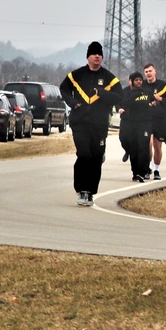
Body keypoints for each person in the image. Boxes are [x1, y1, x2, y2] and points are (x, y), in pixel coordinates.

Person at [59, 41, 123, 206]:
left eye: (100, 54)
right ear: (88, 56)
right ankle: (82, 190)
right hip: (79, 122)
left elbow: (119, 97)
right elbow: (64, 88)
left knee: (95, 157)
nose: (97, 56)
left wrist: (102, 93)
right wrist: (72, 102)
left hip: (99, 124)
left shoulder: (109, 78)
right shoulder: (76, 75)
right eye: (94, 54)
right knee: (84, 154)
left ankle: (91, 192)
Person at [118, 72, 152, 182]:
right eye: (136, 80)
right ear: (131, 81)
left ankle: (143, 171)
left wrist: (156, 103)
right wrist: (135, 95)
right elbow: (124, 104)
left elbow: (154, 101)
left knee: (143, 147)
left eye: (140, 80)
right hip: (131, 123)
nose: (139, 82)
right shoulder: (127, 93)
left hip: (145, 123)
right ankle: (135, 172)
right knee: (133, 148)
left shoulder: (146, 92)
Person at [141, 63, 166, 180]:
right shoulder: (141, 85)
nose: (148, 73)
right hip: (145, 119)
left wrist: (160, 99)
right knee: (148, 144)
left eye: (150, 71)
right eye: (146, 72)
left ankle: (157, 169)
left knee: (157, 146)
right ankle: (148, 168)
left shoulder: (163, 85)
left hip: (159, 119)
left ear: (155, 71)